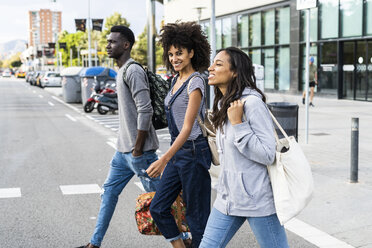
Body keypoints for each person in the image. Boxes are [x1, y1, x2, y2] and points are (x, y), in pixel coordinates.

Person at [77, 25, 160, 248]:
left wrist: (138, 148)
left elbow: (146, 110)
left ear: (126, 45)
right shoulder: (121, 71)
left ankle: (185, 240)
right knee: (108, 194)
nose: (107, 45)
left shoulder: (133, 71)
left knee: (161, 203)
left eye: (112, 42)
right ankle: (94, 244)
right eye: (108, 41)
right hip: (122, 153)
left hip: (139, 153)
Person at [199, 47, 290, 248]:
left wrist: (239, 125)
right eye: (213, 63)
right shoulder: (225, 103)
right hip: (228, 198)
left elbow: (268, 154)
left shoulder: (252, 104)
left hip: (256, 200)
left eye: (218, 64)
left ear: (235, 72)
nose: (210, 68)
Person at [146, 22, 212, 248]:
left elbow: (187, 127)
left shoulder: (196, 82)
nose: (174, 58)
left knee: (197, 218)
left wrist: (163, 159)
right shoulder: (175, 80)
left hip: (193, 152)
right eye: (171, 54)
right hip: (178, 153)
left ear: (192, 52)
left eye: (180, 53)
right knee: (158, 207)